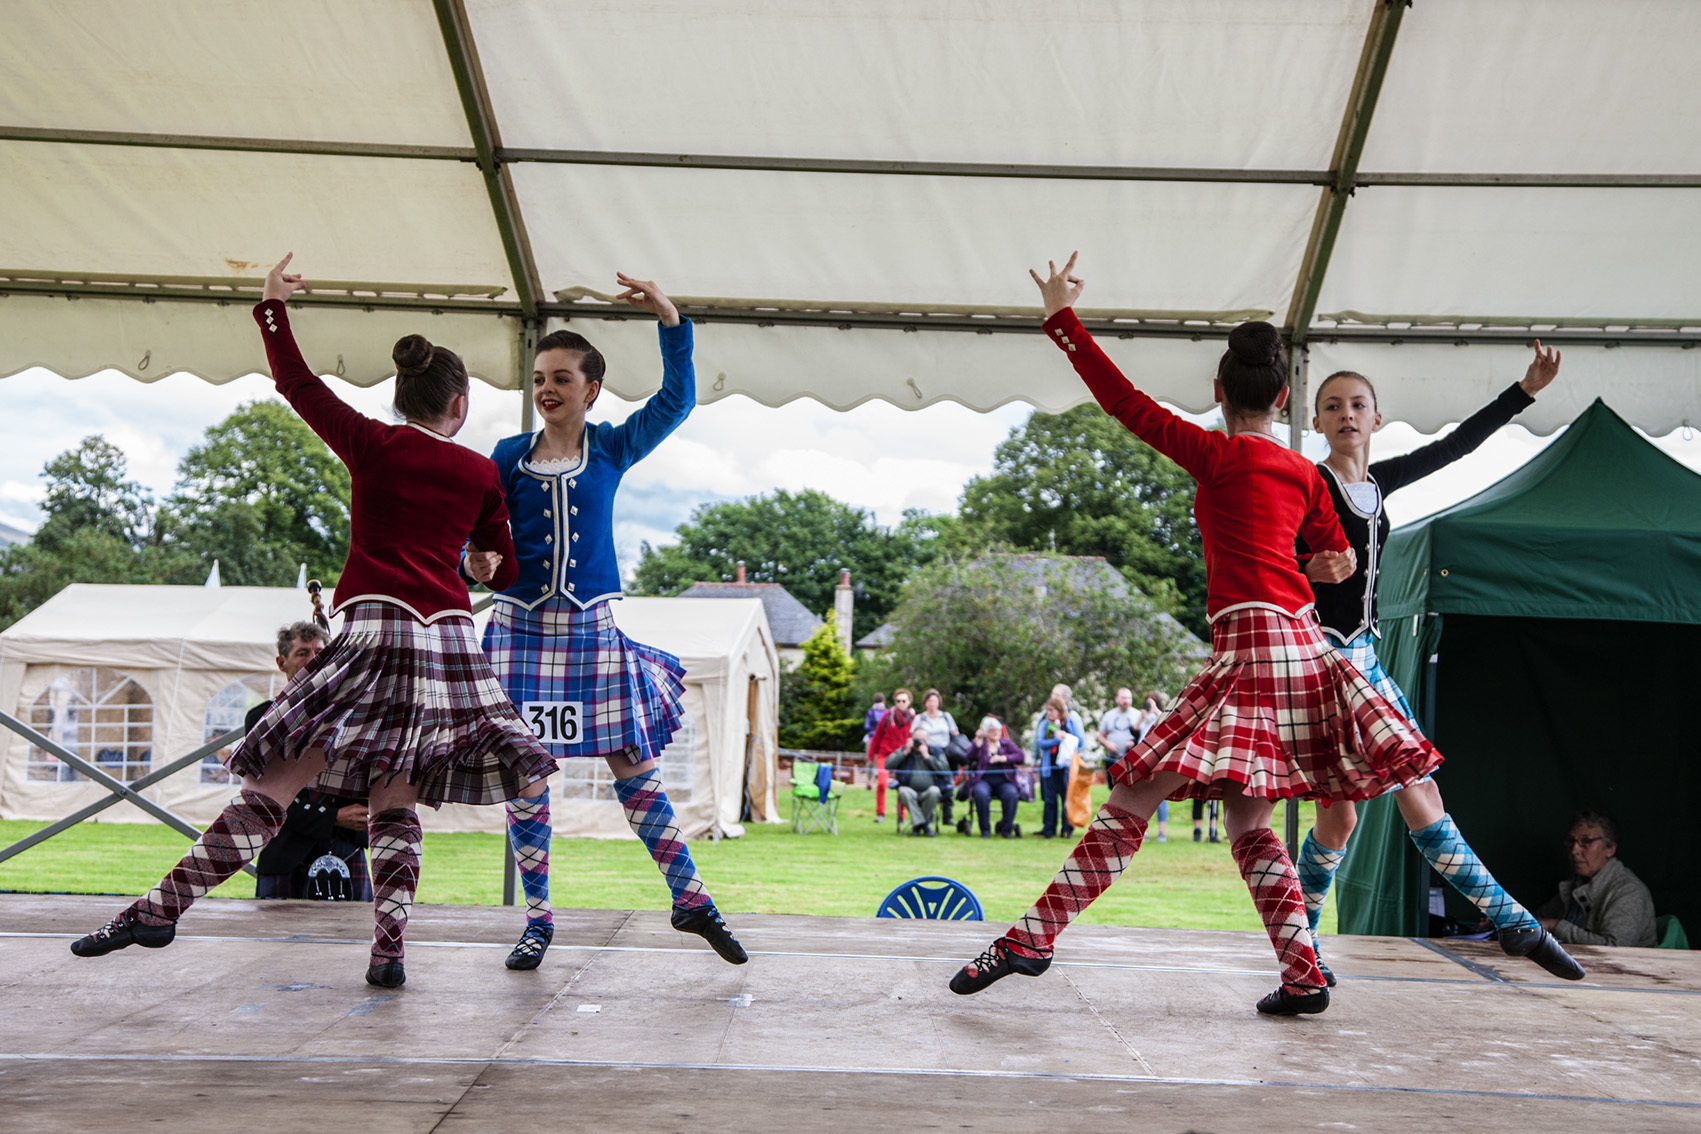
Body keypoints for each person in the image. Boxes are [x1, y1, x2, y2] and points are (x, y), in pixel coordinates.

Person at [950, 253, 1442, 1016]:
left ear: (1219, 394)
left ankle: (1034, 936)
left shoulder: (1211, 454)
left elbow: (1120, 400)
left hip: (1249, 652)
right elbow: (1330, 563)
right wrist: (1329, 561)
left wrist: (1061, 321)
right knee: (1248, 817)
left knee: (1133, 793)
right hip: (1304, 650)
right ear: (1284, 397)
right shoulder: (1304, 475)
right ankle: (1302, 974)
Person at [71, 254, 558, 989]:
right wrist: (482, 569)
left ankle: (162, 907)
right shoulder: (479, 473)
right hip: (448, 645)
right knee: (396, 795)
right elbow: (504, 568)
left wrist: (272, 308)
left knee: (277, 781)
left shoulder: (371, 443)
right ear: (458, 406)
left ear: (402, 399)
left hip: (372, 631)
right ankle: (388, 948)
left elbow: (295, 383)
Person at [474, 274, 746, 973]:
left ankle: (690, 899)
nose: (547, 389)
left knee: (633, 765)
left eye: (561, 377)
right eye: (539, 378)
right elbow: (470, 533)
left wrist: (669, 320)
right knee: (525, 779)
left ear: (591, 388)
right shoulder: (506, 458)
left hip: (589, 631)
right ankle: (537, 920)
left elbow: (676, 401)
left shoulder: (612, 447)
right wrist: (470, 564)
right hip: (518, 631)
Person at [1291, 352, 1584, 983]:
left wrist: (1523, 393)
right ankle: (1301, 949)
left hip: (1364, 656)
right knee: (1341, 817)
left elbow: (1456, 447)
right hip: (1323, 660)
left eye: (1358, 405)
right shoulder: (1307, 485)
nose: (1347, 414)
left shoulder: (1383, 482)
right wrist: (1304, 573)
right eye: (1334, 406)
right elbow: (1265, 566)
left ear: (1376, 419)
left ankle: (1512, 922)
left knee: (1415, 790)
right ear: (1316, 421)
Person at [249, 621, 372, 903]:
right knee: (276, 947)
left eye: (320, 651)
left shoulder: (354, 715)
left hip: (345, 850)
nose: (314, 660)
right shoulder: (262, 720)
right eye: (303, 653)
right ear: (282, 663)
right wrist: (332, 818)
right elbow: (266, 799)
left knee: (352, 945)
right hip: (284, 855)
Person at [1535, 811, 1657, 948]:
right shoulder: (1578, 883)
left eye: (1586, 841)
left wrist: (1555, 926)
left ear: (1610, 849)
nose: (1574, 850)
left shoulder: (1629, 891)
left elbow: (1615, 947)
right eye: (1571, 841)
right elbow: (1539, 918)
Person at [960, 717, 1026, 838]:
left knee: (1011, 794)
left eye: (997, 730)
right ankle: (985, 830)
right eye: (992, 730)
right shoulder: (980, 744)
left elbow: (1020, 756)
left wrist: (1004, 758)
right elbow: (969, 757)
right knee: (981, 794)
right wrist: (977, 742)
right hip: (983, 780)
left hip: (1004, 781)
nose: (996, 732)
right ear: (985, 731)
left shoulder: (1006, 744)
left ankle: (1006, 830)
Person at [1034, 696, 1084, 838]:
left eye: (1051, 710)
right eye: (1047, 710)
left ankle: (1066, 829)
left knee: (1066, 799)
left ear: (1059, 710)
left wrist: (1066, 736)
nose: (1048, 713)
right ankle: (1049, 829)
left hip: (1066, 768)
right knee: (1050, 800)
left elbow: (1078, 740)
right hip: (1050, 767)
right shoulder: (1045, 724)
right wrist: (1056, 739)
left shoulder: (1070, 722)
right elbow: (1041, 744)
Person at [865, 688, 916, 824]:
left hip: (903, 756)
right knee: (882, 783)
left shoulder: (914, 719)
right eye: (898, 701)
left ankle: (902, 816)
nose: (901, 703)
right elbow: (877, 736)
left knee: (903, 785)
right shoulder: (888, 716)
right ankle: (880, 813)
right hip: (885, 754)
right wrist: (871, 756)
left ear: (909, 702)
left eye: (903, 701)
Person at [889, 723, 950, 836]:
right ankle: (925, 826)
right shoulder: (905, 750)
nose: (919, 742)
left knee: (934, 791)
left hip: (929, 791)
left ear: (927, 740)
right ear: (912, 738)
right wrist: (905, 752)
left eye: (923, 739)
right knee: (903, 791)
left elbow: (946, 771)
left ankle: (917, 826)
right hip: (910, 791)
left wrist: (927, 756)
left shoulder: (936, 752)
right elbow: (887, 765)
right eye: (917, 739)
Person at [915, 689, 960, 825]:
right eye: (929, 701)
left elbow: (955, 734)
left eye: (934, 700)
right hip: (925, 753)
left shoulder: (946, 716)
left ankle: (947, 815)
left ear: (939, 702)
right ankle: (929, 814)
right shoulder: (920, 718)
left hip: (945, 753)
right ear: (925, 702)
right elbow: (914, 735)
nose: (932, 703)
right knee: (931, 783)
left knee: (948, 783)